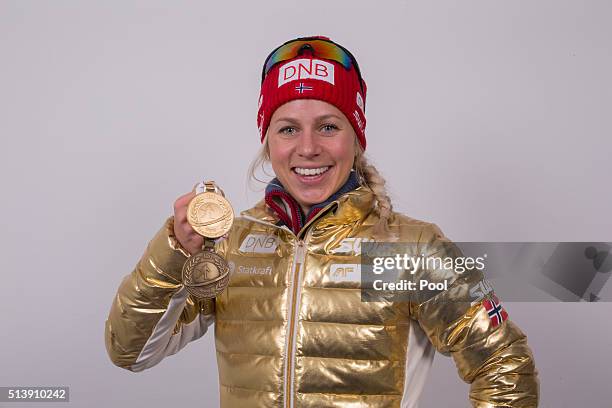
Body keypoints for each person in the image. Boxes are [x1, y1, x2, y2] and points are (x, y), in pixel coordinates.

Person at [105, 35, 540, 407]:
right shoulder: (230, 245)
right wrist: (175, 253)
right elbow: (131, 351)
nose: (308, 148)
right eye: (288, 128)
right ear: (268, 139)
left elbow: (505, 365)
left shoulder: (409, 248)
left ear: (356, 137)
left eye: (328, 127)